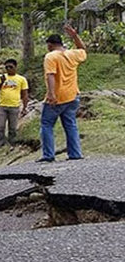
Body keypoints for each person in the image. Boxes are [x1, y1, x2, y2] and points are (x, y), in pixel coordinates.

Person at [37, 24, 87, 162]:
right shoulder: (73, 54)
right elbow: (82, 49)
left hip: (58, 97)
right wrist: (75, 36)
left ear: (50, 44)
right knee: (70, 124)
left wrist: (51, 94)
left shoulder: (51, 56)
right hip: (73, 96)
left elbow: (50, 75)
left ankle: (48, 155)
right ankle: (75, 153)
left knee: (46, 124)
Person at [0, 59, 29, 148]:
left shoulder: (21, 79)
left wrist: (24, 107)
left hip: (14, 106)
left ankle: (12, 143)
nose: (8, 69)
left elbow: (24, 94)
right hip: (2, 106)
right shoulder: (0, 77)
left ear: (15, 67)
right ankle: (1, 143)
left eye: (11, 67)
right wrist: (2, 82)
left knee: (12, 127)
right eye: (6, 67)